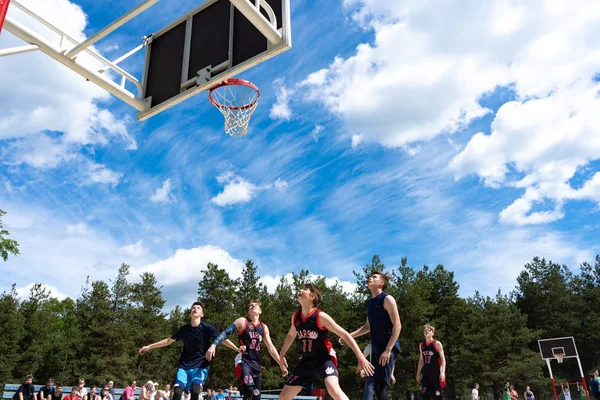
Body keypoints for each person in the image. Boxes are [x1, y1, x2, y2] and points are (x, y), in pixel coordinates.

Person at [278, 283, 374, 400]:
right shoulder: (296, 316)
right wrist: (282, 354)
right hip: (306, 359)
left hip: (325, 357)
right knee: (283, 397)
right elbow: (291, 335)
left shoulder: (320, 316)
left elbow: (345, 335)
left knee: (333, 388)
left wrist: (361, 357)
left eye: (305, 289)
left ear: (312, 296)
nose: (300, 290)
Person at [139, 302, 240, 400]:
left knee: (195, 392)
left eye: (198, 308)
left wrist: (236, 348)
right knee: (177, 392)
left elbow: (223, 339)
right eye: (193, 308)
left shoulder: (206, 328)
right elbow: (168, 341)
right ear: (190, 314)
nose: (195, 309)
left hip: (200, 366)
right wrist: (149, 346)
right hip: (184, 366)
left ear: (202, 314)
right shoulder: (184, 329)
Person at [206, 300, 281, 400]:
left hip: (256, 364)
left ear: (260, 311)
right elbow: (225, 333)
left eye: (256, 305)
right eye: (251, 305)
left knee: (255, 397)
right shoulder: (242, 321)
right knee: (249, 389)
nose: (253, 306)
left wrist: (281, 362)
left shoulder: (263, 327)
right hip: (243, 360)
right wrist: (214, 345)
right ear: (248, 311)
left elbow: (270, 347)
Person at [344, 271, 401, 400]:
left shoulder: (387, 299)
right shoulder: (370, 303)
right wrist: (348, 336)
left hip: (387, 348)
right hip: (376, 349)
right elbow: (367, 327)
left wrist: (388, 349)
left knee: (379, 386)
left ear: (381, 283)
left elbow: (397, 325)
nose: (370, 278)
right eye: (370, 276)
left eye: (374, 277)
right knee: (374, 385)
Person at [416, 325, 447, 400]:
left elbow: (443, 359)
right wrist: (418, 373)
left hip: (436, 374)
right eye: (425, 330)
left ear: (433, 333)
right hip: (426, 374)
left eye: (429, 330)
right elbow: (421, 360)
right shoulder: (421, 345)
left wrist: (443, 372)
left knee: (438, 395)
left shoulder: (437, 343)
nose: (427, 331)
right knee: (425, 395)